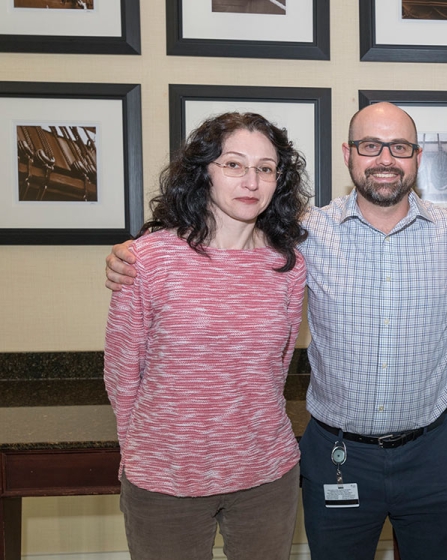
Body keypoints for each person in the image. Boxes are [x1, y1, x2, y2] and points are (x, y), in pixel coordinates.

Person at [106, 102, 447, 560]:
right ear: (348, 154)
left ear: (417, 157)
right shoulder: (306, 235)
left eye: (399, 147)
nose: (385, 158)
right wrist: (130, 254)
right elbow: (123, 371)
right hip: (337, 453)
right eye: (370, 145)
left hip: (429, 453)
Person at [103, 112, 309, 560]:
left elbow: (276, 369)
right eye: (233, 164)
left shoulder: (288, 266)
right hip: (165, 479)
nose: (251, 181)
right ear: (204, 173)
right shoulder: (147, 259)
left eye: (266, 168)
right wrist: (139, 453)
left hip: (266, 475)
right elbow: (122, 373)